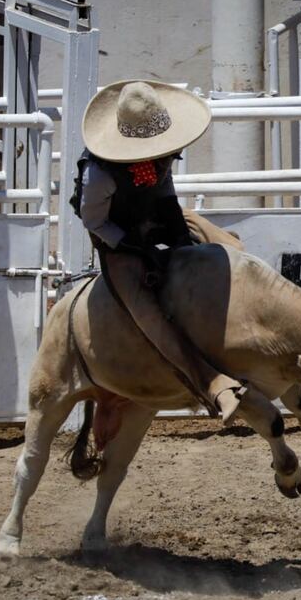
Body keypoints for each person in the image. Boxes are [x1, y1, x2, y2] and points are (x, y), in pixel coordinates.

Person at [79, 80, 246, 422]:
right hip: (118, 235)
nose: (167, 155)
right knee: (148, 314)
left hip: (154, 214)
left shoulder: (158, 160)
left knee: (230, 246)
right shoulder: (99, 173)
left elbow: (165, 194)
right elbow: (95, 222)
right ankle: (212, 385)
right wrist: (138, 248)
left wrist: (181, 240)